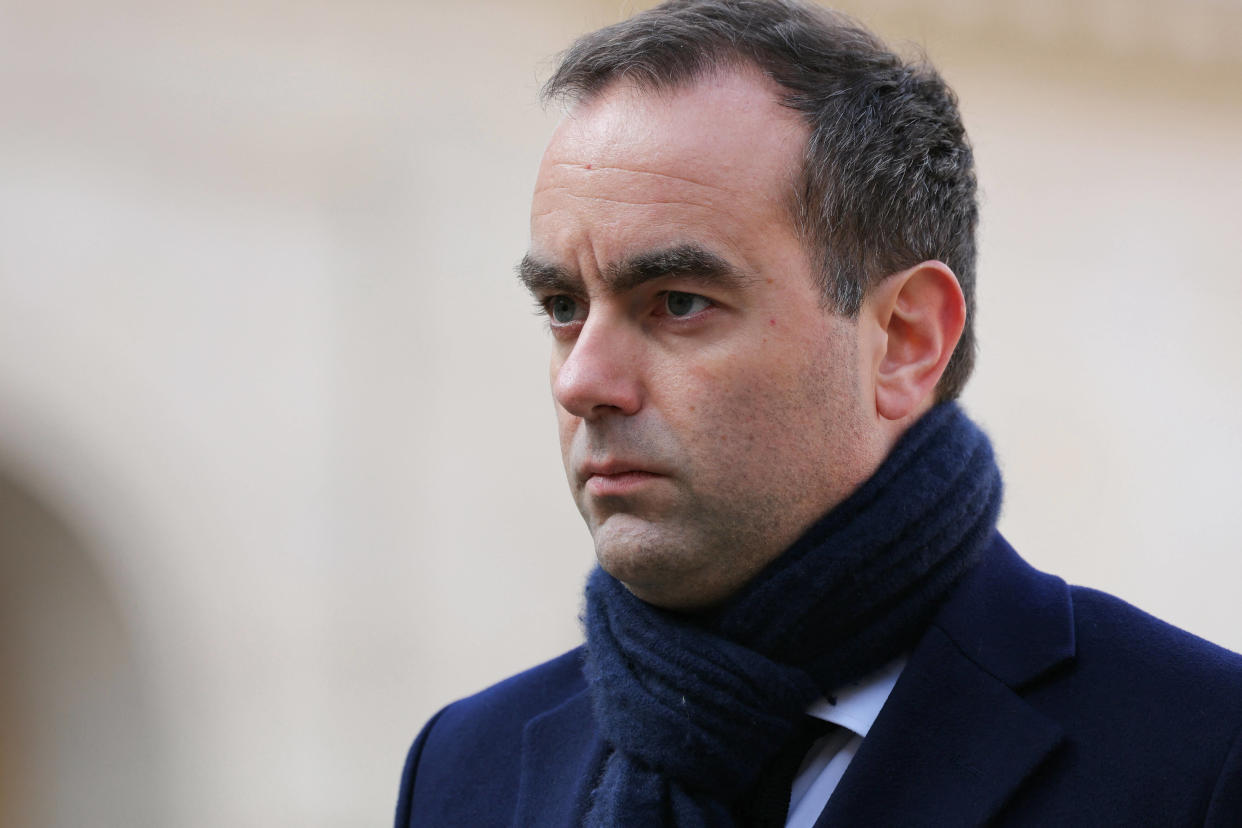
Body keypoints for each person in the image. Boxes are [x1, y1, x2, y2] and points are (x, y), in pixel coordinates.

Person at [395, 1, 1242, 825]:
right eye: (562, 305)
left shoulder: (1198, 755)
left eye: (679, 301)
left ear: (907, 340)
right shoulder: (468, 763)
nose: (582, 381)